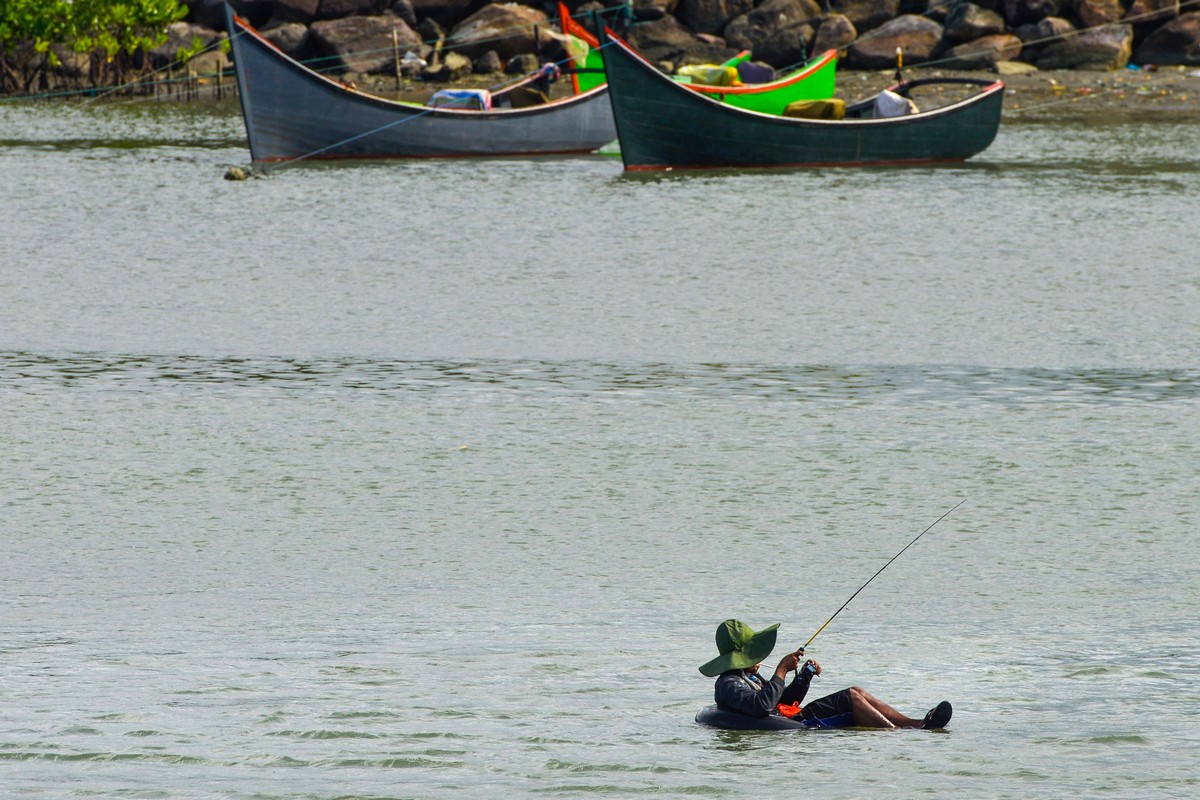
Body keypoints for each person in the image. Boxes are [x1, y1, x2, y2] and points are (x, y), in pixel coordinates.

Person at [698, 619, 952, 730]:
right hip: (796, 724)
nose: (758, 660)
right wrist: (780, 670)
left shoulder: (748, 677)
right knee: (852, 698)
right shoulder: (729, 684)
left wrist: (803, 677)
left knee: (857, 691)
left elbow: (782, 702)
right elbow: (762, 706)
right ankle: (903, 732)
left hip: (790, 716)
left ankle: (914, 723)